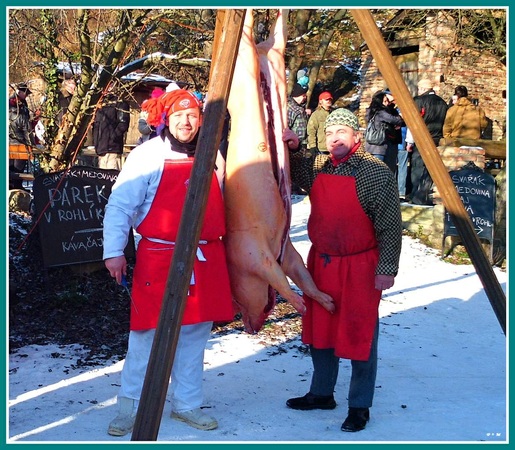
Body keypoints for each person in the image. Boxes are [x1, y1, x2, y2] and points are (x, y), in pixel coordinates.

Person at [103, 89, 235, 436]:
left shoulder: (214, 155)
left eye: (192, 115)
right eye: (179, 115)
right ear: (166, 119)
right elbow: (120, 205)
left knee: (193, 336)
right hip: (159, 257)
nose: (186, 122)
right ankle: (131, 407)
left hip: (203, 259)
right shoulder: (147, 155)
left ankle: (186, 404)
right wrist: (114, 251)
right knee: (145, 335)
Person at [285, 107, 403, 433]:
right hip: (322, 263)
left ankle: (359, 405)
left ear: (357, 136)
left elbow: (390, 226)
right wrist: (294, 148)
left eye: (341, 132)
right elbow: (295, 169)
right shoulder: (320, 165)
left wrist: (387, 267)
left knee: (359, 334)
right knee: (321, 332)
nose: (334, 138)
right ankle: (322, 393)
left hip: (360, 266)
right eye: (329, 133)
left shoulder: (375, 172)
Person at [405, 79, 448, 205]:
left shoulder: (419, 101)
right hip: (436, 139)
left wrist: (409, 141)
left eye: (419, 88)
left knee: (417, 168)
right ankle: (425, 195)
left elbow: (413, 122)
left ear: (424, 88)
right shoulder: (443, 103)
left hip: (422, 138)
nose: (418, 91)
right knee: (430, 169)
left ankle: (415, 196)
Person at [364, 90, 405, 173]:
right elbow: (395, 120)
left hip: (370, 146)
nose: (387, 103)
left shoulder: (371, 111)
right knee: (379, 171)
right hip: (379, 147)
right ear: (380, 101)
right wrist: (400, 117)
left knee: (371, 171)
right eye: (385, 101)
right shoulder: (381, 112)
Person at [92, 89, 130, 170]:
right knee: (102, 175)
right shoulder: (99, 103)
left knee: (112, 174)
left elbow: (123, 123)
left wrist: (112, 137)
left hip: (112, 148)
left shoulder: (119, 102)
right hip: (100, 148)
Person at [9, 83, 35, 189]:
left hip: (10, 141)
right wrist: (31, 144)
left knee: (11, 169)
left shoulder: (20, 103)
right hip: (20, 142)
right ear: (20, 92)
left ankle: (13, 187)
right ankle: (16, 188)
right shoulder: (18, 107)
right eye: (26, 94)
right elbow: (26, 128)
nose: (27, 96)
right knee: (18, 169)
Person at [307, 91, 333, 155]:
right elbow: (311, 131)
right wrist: (312, 146)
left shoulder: (334, 114)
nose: (329, 101)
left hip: (333, 147)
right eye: (326, 99)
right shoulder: (316, 115)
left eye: (330, 99)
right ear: (320, 101)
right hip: (321, 149)